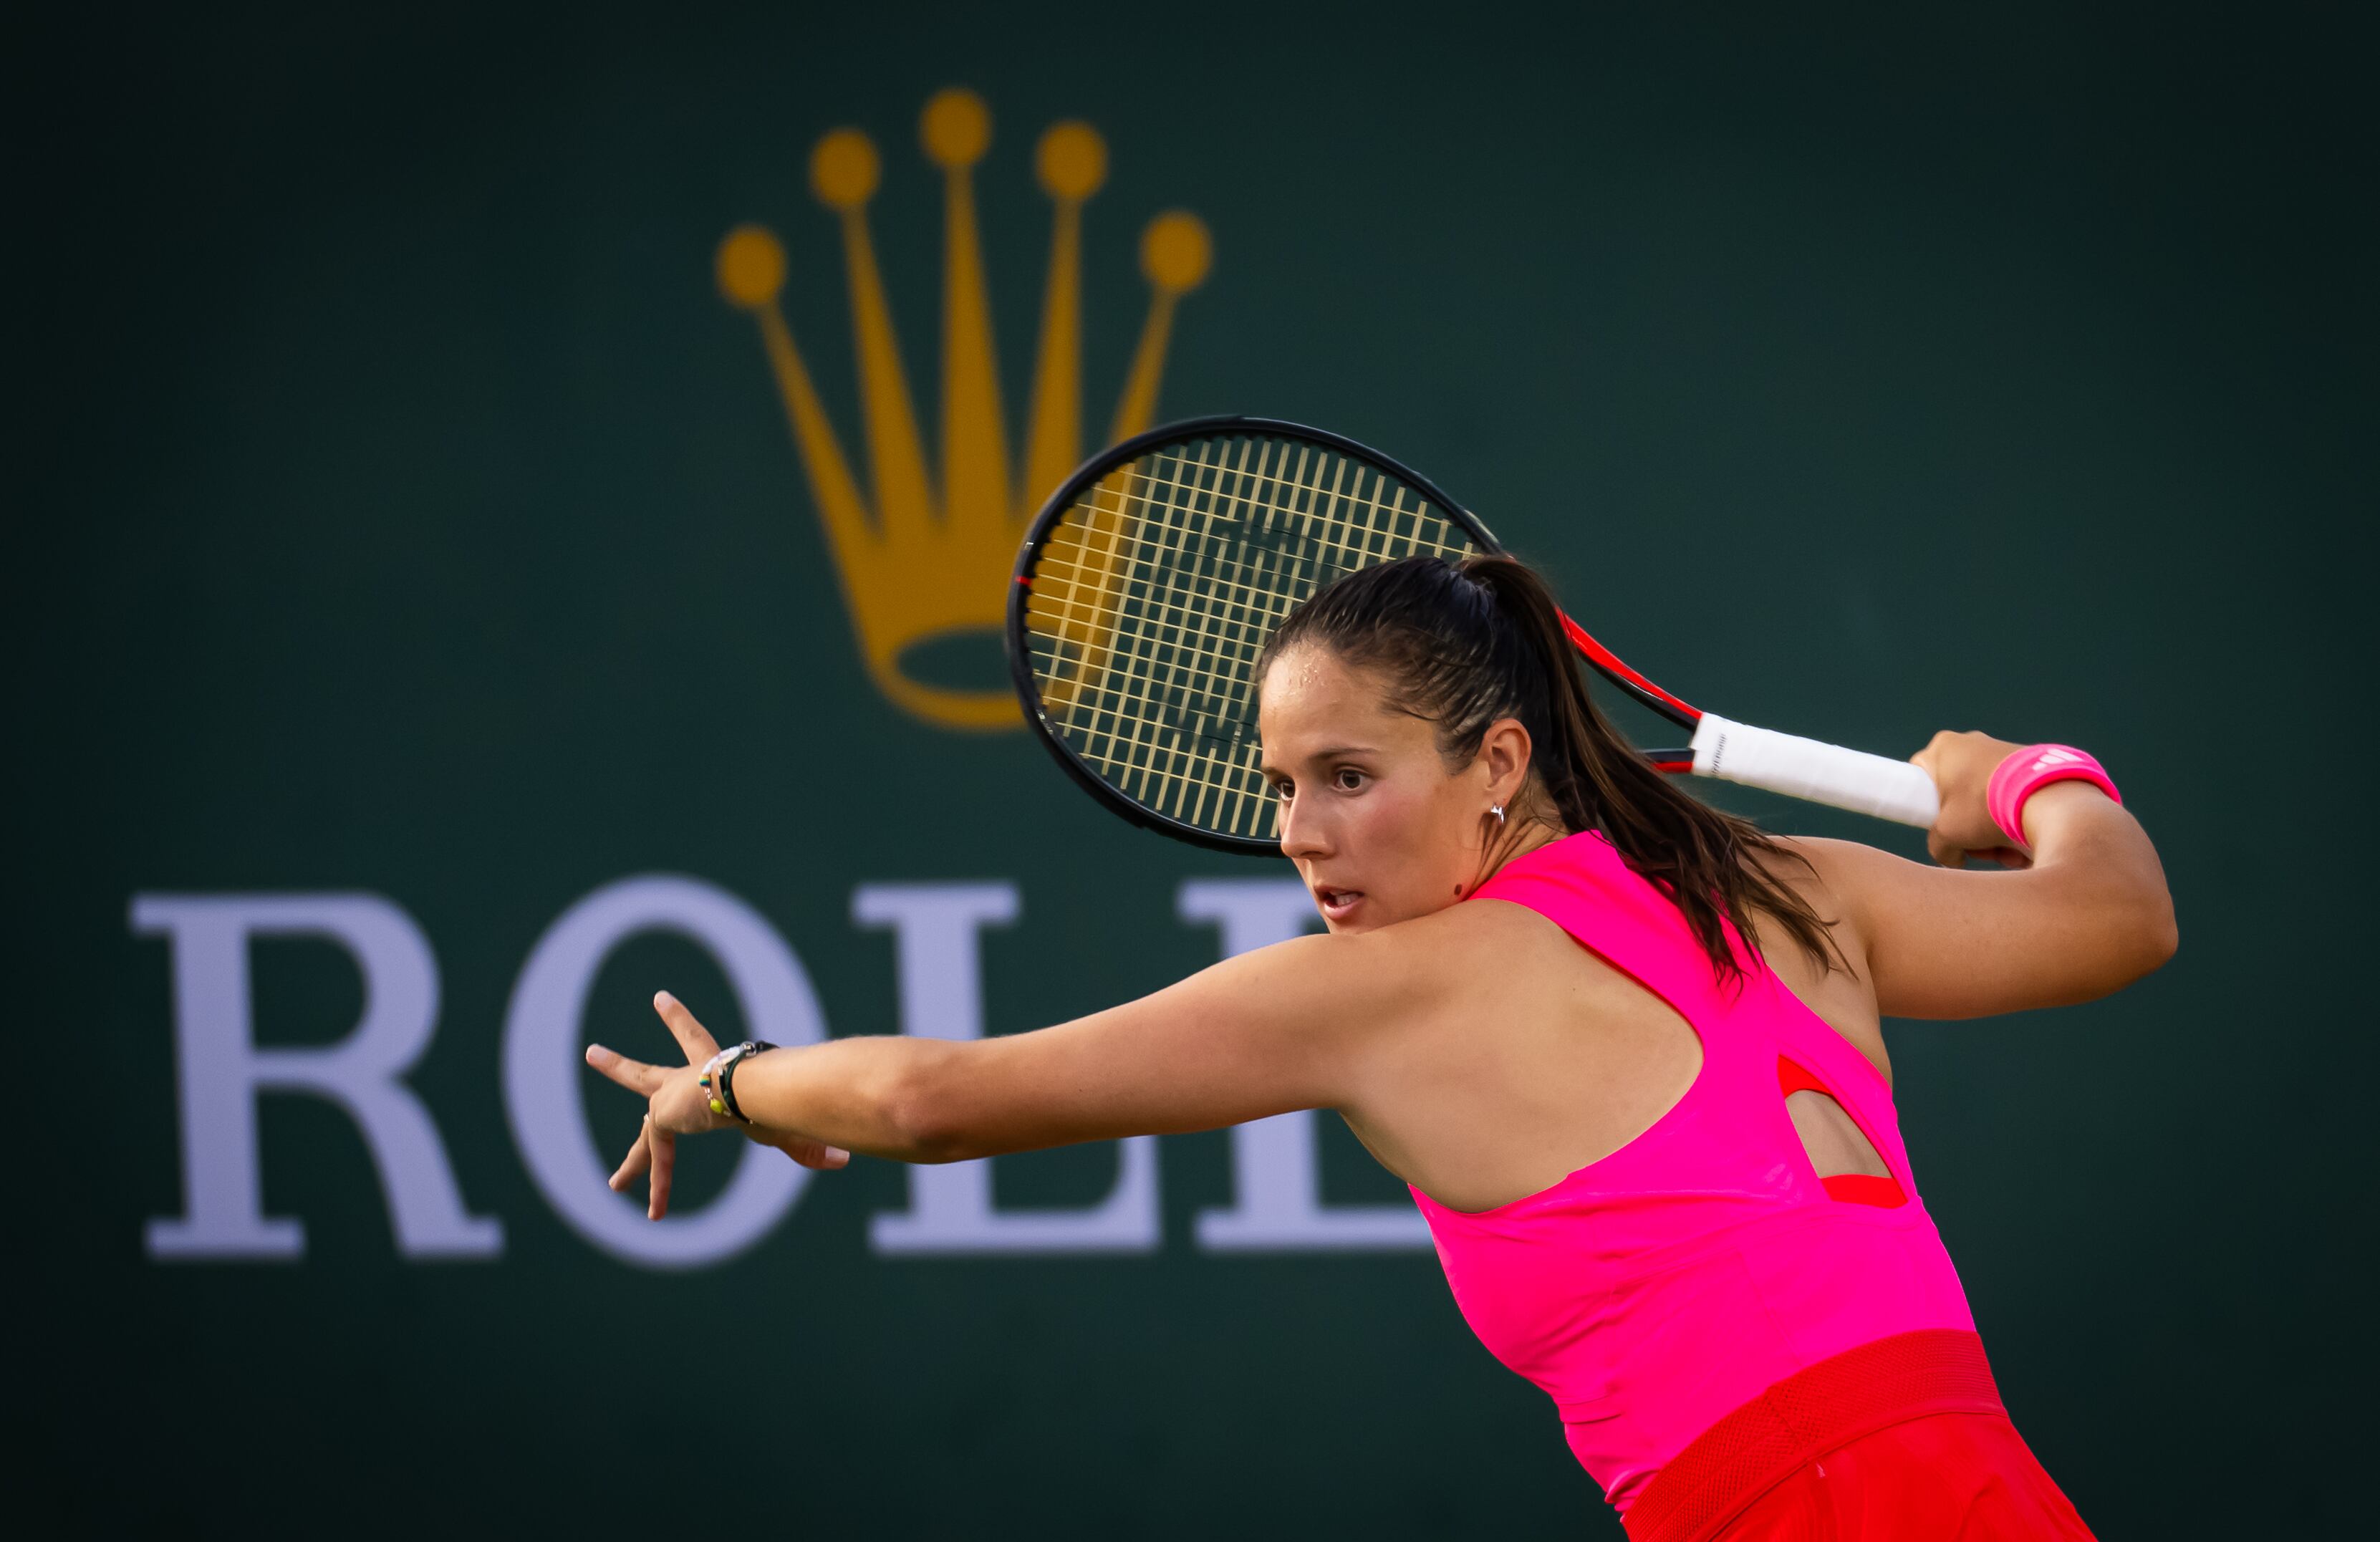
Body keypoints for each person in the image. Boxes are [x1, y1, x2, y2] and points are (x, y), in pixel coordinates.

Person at [589, 554, 2174, 1540]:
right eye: (1283, 785)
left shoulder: (1377, 996)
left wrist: (724, 1085)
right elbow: (2119, 913)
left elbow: (930, 1100)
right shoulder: (1798, 889)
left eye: (1347, 777)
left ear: (1499, 761)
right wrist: (2022, 776)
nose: (1298, 833)